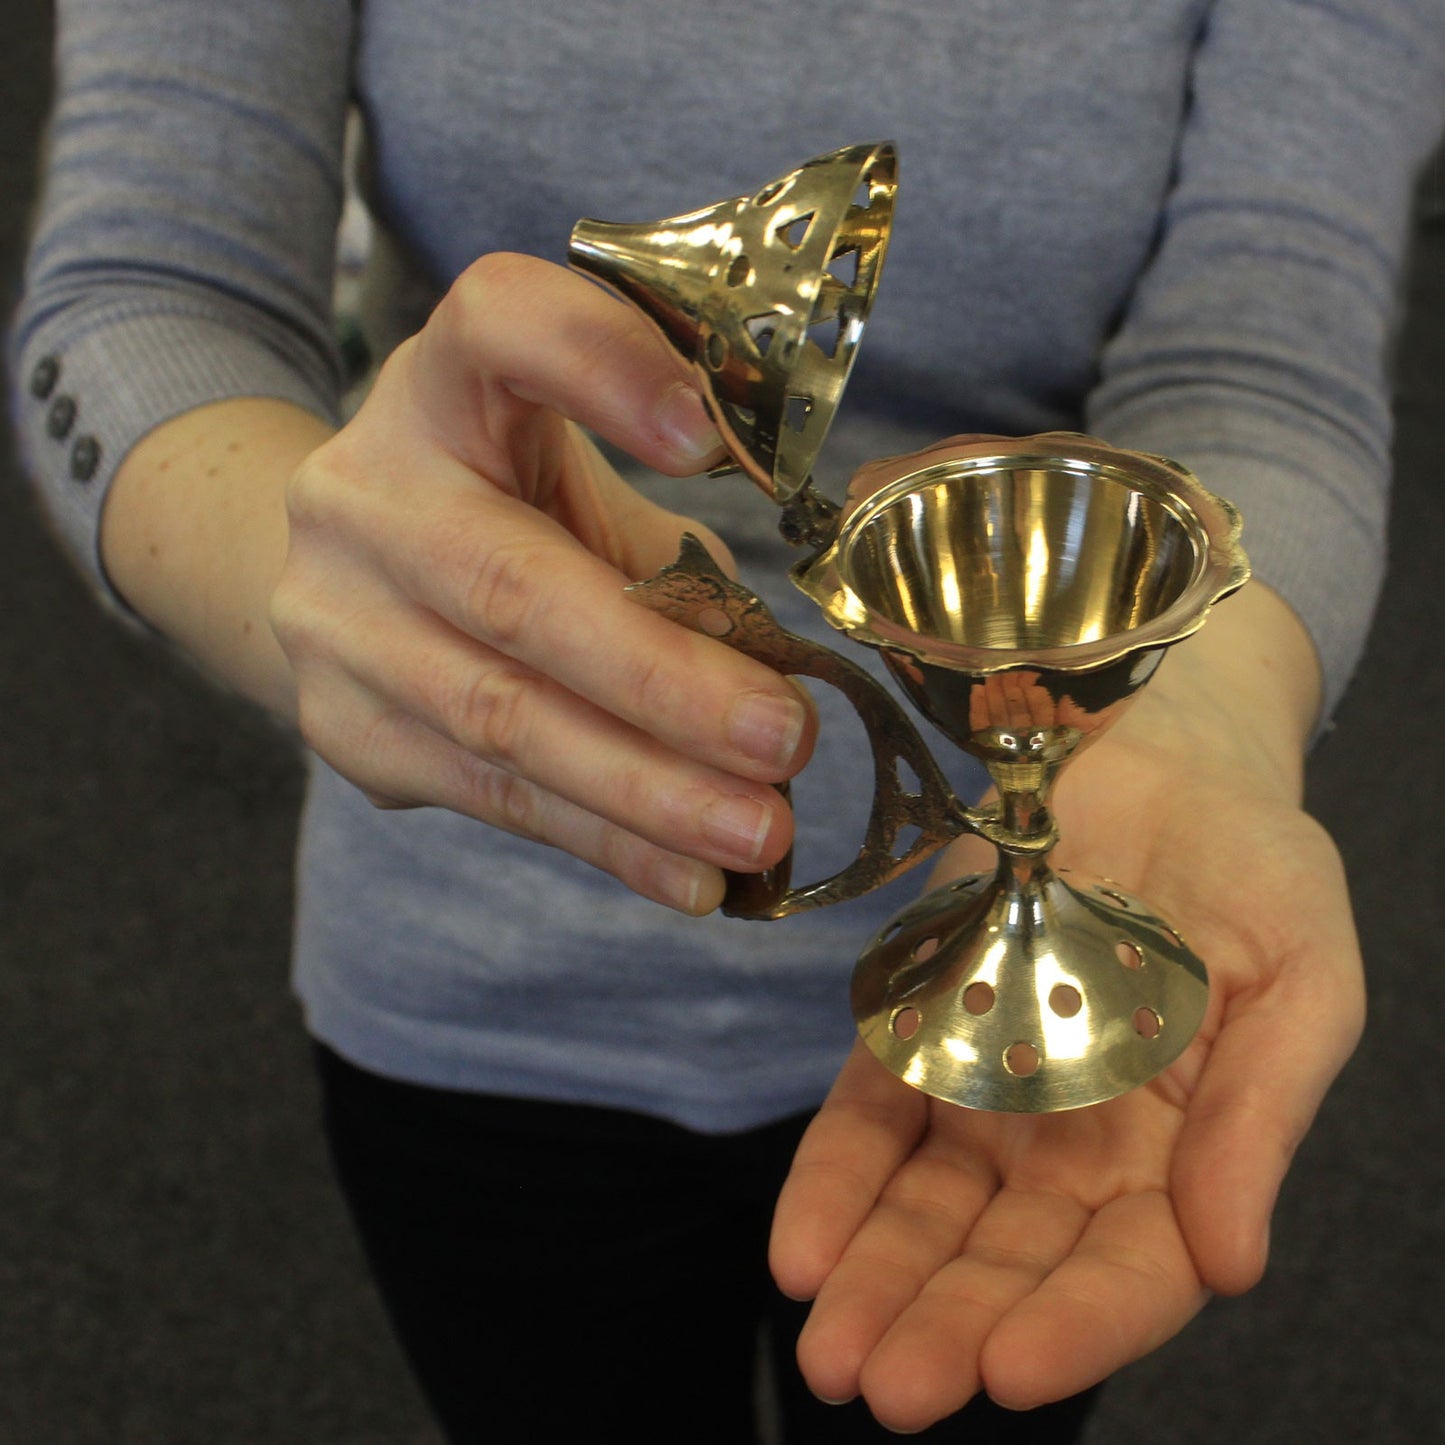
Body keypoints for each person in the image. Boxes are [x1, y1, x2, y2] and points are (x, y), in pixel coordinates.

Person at [10, 1, 1444, 1440]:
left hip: (1033, 1100)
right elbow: (144, 292)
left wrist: (1208, 718)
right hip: (475, 957)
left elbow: (1263, 339)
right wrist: (347, 594)